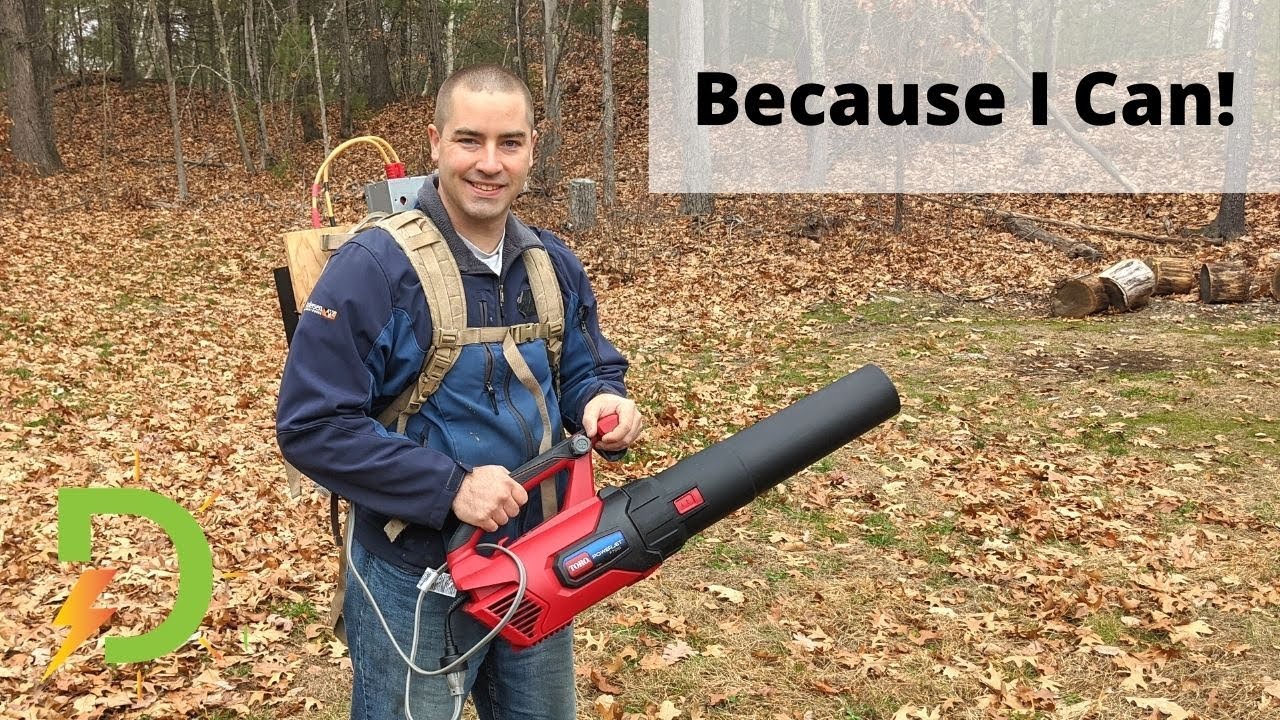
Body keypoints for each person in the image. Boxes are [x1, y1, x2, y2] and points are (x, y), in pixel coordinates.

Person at [276, 64, 642, 720]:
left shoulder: (551, 264)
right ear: (436, 143)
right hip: (412, 575)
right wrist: (451, 488)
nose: (490, 164)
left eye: (509, 143)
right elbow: (312, 425)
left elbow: (585, 370)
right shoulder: (374, 269)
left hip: (538, 559)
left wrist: (600, 404)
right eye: (470, 140)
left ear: (534, 147)